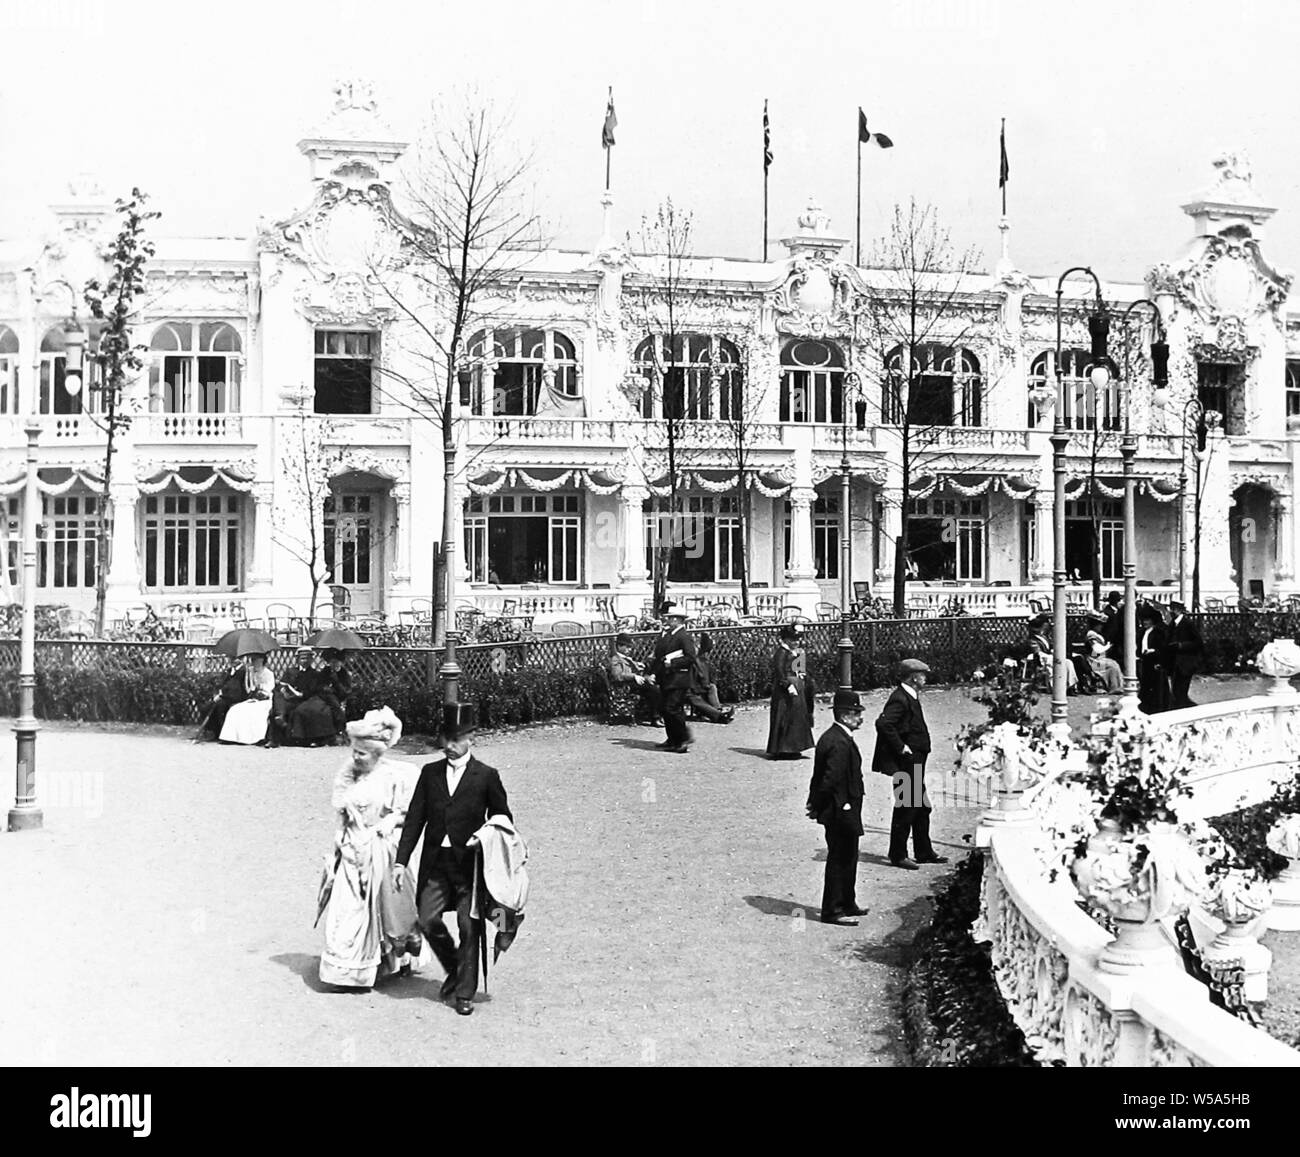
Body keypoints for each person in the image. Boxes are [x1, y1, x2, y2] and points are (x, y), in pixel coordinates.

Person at [394, 703, 512, 1017]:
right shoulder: (429, 773)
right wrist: (400, 861)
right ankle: (456, 968)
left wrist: (484, 836)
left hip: (470, 866)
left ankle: (464, 992)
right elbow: (414, 820)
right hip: (436, 862)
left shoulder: (486, 776)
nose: (449, 745)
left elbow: (502, 820)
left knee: (468, 926)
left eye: (457, 739)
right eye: (446, 738)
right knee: (428, 918)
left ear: (471, 737)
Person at [319, 707, 423, 988]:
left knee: (386, 907)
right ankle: (348, 972)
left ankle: (392, 960)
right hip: (352, 851)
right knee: (348, 911)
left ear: (377, 754)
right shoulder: (348, 775)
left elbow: (406, 812)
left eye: (361, 753)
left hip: (378, 851)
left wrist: (390, 822)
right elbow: (342, 813)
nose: (355, 757)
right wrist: (340, 842)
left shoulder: (397, 776)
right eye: (353, 751)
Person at [872, 658, 947, 870]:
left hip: (915, 762)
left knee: (921, 807)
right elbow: (884, 723)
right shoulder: (900, 698)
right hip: (907, 762)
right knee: (906, 807)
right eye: (923, 675)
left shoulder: (909, 695)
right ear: (914, 677)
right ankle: (898, 854)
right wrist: (901, 747)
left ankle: (923, 851)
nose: (925, 678)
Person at [806, 689, 869, 926]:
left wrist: (813, 803)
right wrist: (818, 805)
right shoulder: (838, 742)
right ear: (844, 716)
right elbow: (828, 780)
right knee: (840, 858)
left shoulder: (834, 737)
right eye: (856, 713)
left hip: (844, 807)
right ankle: (832, 909)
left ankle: (847, 901)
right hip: (840, 809)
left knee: (849, 855)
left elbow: (817, 777)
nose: (860, 718)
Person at [651, 604, 697, 753]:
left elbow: (691, 657)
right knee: (666, 708)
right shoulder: (670, 634)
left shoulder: (684, 636)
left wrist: (673, 662)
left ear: (677, 620)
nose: (668, 620)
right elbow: (660, 655)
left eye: (670, 618)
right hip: (669, 678)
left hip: (679, 678)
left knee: (672, 708)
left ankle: (682, 739)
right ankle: (672, 739)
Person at [766, 623, 815, 758]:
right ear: (785, 640)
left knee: (797, 717)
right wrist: (787, 685)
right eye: (793, 640)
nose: (796, 642)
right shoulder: (781, 653)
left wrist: (803, 676)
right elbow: (779, 671)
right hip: (785, 690)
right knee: (785, 717)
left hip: (797, 686)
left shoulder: (795, 652)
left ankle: (794, 747)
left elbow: (799, 667)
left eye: (798, 639)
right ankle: (783, 748)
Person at [218, 652, 276, 744]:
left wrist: (261, 688)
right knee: (236, 709)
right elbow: (248, 687)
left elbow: (270, 688)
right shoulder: (250, 671)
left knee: (258, 712)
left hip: (265, 699)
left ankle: (257, 738)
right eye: (253, 659)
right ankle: (232, 737)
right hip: (252, 698)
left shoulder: (268, 673)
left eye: (256, 660)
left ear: (262, 661)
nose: (254, 662)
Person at [269, 646, 319, 747]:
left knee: (287, 708)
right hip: (288, 700)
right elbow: (282, 684)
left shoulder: (315, 674)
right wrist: (283, 691)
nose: (304, 661)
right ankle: (274, 738)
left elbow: (311, 692)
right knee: (277, 696)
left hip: (303, 701)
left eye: (307, 658)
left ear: (311, 660)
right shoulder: (290, 671)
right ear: (297, 659)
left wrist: (296, 694)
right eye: (302, 658)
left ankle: (281, 716)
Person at [606, 632, 660, 724]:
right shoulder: (616, 658)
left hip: (633, 682)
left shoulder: (626, 658)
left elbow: (632, 667)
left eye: (630, 647)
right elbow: (618, 675)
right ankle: (655, 718)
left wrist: (639, 666)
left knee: (658, 683)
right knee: (653, 690)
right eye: (627, 647)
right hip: (625, 685)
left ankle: (657, 714)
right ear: (619, 647)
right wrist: (634, 676)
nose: (629, 649)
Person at [1164, 599, 1204, 708]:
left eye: (1174, 609)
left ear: (1179, 610)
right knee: (1176, 690)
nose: (1171, 611)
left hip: (1186, 663)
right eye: (1171, 608)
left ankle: (1185, 708)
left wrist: (1182, 645)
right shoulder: (1172, 624)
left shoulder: (1188, 624)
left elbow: (1198, 642)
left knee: (1181, 691)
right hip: (1174, 663)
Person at [687, 633, 734, 724]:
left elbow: (703, 676)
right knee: (694, 697)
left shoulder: (700, 660)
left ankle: (718, 711)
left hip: (697, 686)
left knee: (712, 687)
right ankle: (719, 716)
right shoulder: (690, 661)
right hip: (688, 689)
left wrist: (705, 685)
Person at [195, 661, 248, 742]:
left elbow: (236, 688)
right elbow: (223, 684)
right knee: (207, 707)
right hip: (226, 695)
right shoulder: (230, 670)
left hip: (237, 697)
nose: (233, 661)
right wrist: (219, 693)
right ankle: (213, 731)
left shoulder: (243, 671)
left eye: (236, 659)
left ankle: (222, 733)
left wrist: (222, 695)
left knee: (220, 706)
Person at [1026, 614, 1077, 692]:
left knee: (1068, 662)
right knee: (1058, 662)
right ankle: (1057, 686)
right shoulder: (1032, 639)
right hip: (1041, 659)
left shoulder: (1045, 637)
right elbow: (1037, 652)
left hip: (1050, 656)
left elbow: (1050, 647)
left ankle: (1070, 685)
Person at [1137, 603, 1171, 714]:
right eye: (1144, 620)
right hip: (1145, 662)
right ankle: (1146, 706)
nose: (1145, 622)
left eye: (1147, 620)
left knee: (1158, 687)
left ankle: (1159, 707)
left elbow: (1164, 648)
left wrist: (1154, 652)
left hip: (1155, 662)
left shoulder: (1158, 633)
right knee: (1145, 685)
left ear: (1152, 621)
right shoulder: (1142, 632)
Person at [318, 648, 353, 742]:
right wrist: (325, 687)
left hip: (339, 697)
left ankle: (340, 729)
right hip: (324, 696)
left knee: (335, 706)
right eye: (332, 662)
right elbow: (320, 684)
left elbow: (346, 691)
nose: (334, 664)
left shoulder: (344, 673)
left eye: (336, 662)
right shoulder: (326, 671)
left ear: (341, 662)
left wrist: (336, 681)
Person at [1083, 621, 1124, 694]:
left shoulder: (1098, 634)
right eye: (1099, 625)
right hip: (1094, 661)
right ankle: (1113, 686)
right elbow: (1096, 649)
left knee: (1114, 663)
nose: (1101, 626)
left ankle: (1118, 686)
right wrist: (1107, 646)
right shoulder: (1091, 634)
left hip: (1100, 659)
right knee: (1112, 665)